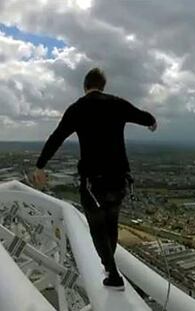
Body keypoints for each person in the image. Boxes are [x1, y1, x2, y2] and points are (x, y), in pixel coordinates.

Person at [32, 68, 157, 291]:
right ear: (103, 85)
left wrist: (41, 165)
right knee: (111, 225)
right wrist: (152, 123)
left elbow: (57, 137)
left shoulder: (77, 109)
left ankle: (112, 273)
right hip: (119, 178)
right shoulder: (117, 104)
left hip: (93, 182)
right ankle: (110, 267)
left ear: (85, 86)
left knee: (98, 228)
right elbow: (145, 117)